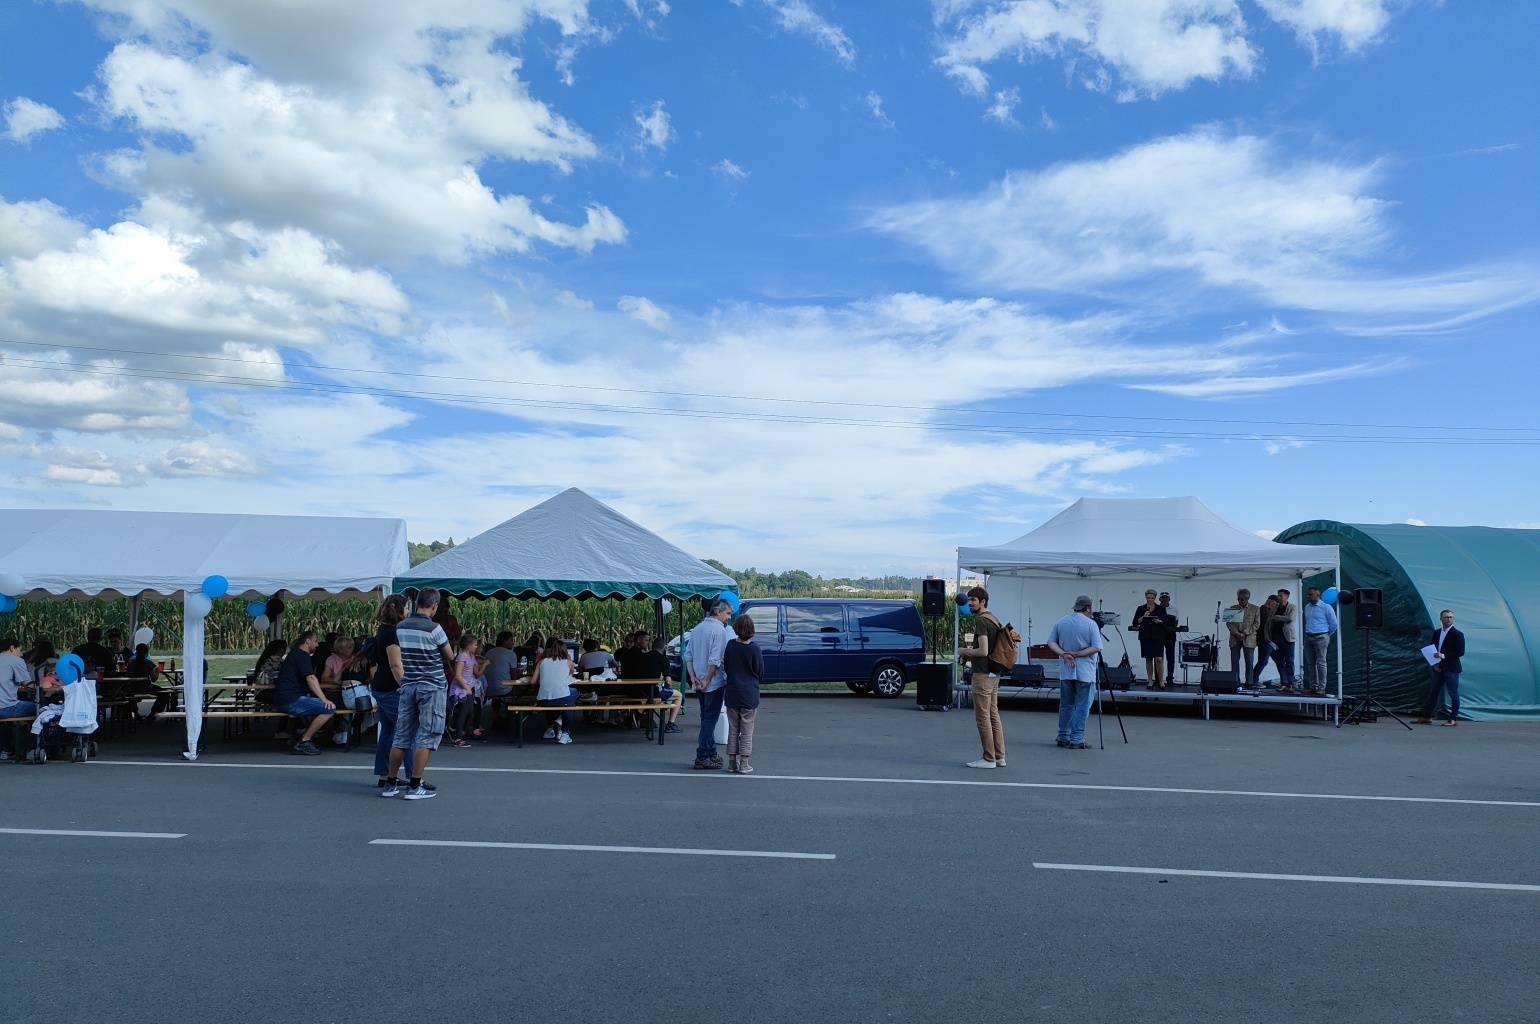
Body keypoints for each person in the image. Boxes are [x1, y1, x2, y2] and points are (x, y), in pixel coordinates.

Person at [385, 588, 455, 799]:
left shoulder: (401, 627)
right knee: (427, 736)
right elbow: (450, 655)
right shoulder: (434, 628)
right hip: (431, 686)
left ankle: (390, 782)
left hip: (408, 684)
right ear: (434, 606)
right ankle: (415, 785)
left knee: (401, 736)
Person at [956, 586, 1006, 769]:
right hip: (993, 674)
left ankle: (988, 758)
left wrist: (964, 650)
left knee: (982, 717)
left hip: (982, 675)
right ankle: (999, 756)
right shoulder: (993, 619)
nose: (969, 603)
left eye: (973, 600)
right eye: (969, 599)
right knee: (993, 715)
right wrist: (970, 653)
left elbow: (983, 651)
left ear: (982, 602)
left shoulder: (982, 621)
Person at [1048, 596, 1103, 750]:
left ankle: (1063, 735)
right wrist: (1077, 654)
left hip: (1067, 671)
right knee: (1082, 707)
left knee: (1066, 705)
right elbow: (1096, 647)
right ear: (1088, 608)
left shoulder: (1062, 621)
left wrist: (1064, 654)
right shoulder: (1091, 624)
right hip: (1085, 672)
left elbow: (1051, 641)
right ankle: (1077, 738)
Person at [272, 631, 335, 756]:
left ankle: (304, 737)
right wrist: (324, 699)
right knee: (329, 709)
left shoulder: (295, 654)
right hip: (290, 700)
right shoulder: (302, 655)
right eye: (315, 641)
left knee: (318, 706)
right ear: (307, 641)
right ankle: (305, 740)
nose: (317, 645)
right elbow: (311, 678)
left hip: (286, 698)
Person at [688, 598, 733, 770]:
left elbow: (688, 655)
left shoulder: (697, 628)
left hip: (698, 679)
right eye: (728, 613)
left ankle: (711, 752)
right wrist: (707, 679)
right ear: (718, 612)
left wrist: (693, 677)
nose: (729, 617)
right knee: (710, 719)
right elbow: (715, 660)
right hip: (712, 682)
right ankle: (702, 756)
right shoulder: (719, 630)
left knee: (705, 717)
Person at [371, 595, 408, 792]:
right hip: (390, 689)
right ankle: (414, 777)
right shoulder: (393, 633)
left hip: (380, 686)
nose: (408, 611)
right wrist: (405, 686)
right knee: (405, 731)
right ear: (399, 610)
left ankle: (384, 774)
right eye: (407, 608)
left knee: (387, 731)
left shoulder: (383, 629)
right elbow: (395, 665)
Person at [723, 614, 763, 774]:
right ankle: (744, 764)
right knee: (747, 729)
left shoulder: (730, 645)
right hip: (749, 693)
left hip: (732, 692)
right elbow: (760, 671)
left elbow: (726, 666)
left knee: (733, 728)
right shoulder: (754, 648)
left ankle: (731, 763)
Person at [1414, 610, 1465, 726]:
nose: (1449, 619)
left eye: (1451, 617)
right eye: (1446, 617)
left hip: (1451, 669)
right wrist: (1433, 664)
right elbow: (1432, 649)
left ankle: (1453, 719)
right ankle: (1427, 717)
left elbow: (1460, 652)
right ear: (1441, 619)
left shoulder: (1457, 634)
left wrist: (1442, 655)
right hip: (1438, 668)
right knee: (1433, 692)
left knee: (1453, 694)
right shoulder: (1437, 633)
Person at [0, 637, 38, 760]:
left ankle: (6, 748)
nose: (21, 654)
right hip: (6, 708)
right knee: (41, 709)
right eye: (19, 650)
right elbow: (29, 684)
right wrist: (44, 684)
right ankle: (31, 748)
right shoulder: (16, 661)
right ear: (12, 648)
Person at [635, 635, 682, 732]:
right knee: (678, 696)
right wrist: (669, 688)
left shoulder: (642, 656)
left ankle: (640, 713)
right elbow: (668, 680)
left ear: (652, 645)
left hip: (639, 689)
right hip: (653, 690)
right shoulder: (663, 659)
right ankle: (671, 723)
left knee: (654, 699)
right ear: (663, 648)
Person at [534, 638, 577, 744]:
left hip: (542, 700)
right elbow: (571, 675)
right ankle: (564, 733)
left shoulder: (542, 662)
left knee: (556, 698)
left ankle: (552, 727)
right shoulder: (568, 663)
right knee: (572, 696)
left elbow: (532, 681)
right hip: (560, 698)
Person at [1301, 587, 1337, 696]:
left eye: (1310, 594)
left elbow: (1333, 623)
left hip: (1321, 636)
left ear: (1317, 595)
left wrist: (1326, 635)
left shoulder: (1326, 607)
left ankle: (1322, 687)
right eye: (1307, 594)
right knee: (1310, 662)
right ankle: (1313, 686)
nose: (1308, 596)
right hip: (1309, 636)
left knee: (1321, 662)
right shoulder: (1307, 607)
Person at [447, 634, 480, 747]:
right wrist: (466, 687)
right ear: (469, 646)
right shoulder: (461, 657)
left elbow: (475, 672)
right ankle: (458, 737)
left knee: (470, 712)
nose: (476, 647)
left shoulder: (472, 657)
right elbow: (457, 675)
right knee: (463, 712)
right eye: (475, 645)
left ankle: (455, 727)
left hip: (469, 687)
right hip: (461, 689)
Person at [1131, 590, 1169, 690]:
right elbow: (1135, 622)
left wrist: (1159, 621)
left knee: (1159, 659)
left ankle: (1161, 681)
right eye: (1148, 598)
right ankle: (1150, 680)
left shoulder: (1161, 609)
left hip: (1157, 636)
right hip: (1146, 635)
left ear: (1155, 598)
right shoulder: (1141, 608)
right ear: (1145, 597)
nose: (1150, 600)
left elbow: (1166, 623)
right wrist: (1143, 617)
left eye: (1152, 598)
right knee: (1148, 658)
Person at [125, 643, 169, 719]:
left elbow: (127, 674)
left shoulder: (131, 663)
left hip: (132, 688)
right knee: (164, 694)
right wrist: (157, 671)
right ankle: (153, 713)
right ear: (147, 652)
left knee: (126, 694)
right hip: (146, 688)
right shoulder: (148, 663)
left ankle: (135, 712)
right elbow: (154, 679)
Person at [1226, 589, 1260, 683]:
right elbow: (1229, 623)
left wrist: (1245, 633)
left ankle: (1249, 682)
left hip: (1248, 638)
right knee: (1234, 662)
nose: (1240, 601)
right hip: (1235, 637)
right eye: (1238, 599)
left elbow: (1257, 624)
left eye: (1242, 599)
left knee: (1249, 662)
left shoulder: (1255, 609)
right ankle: (1235, 681)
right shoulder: (1233, 608)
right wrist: (1236, 633)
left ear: (1247, 599)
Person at [1270, 589, 1297, 691]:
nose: (1278, 597)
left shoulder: (1292, 607)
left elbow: (1290, 618)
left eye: (1281, 596)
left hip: (1288, 638)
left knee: (1289, 660)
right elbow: (1270, 619)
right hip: (1276, 637)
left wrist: (1277, 617)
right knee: (1279, 661)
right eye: (1278, 595)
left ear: (1287, 597)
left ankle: (1290, 683)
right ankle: (1283, 682)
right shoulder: (1275, 607)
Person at [482, 632, 519, 699]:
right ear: (505, 642)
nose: (512, 643)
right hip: (504, 690)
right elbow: (514, 677)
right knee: (525, 690)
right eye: (511, 640)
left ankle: (496, 705)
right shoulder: (511, 654)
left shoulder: (488, 652)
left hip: (487, 689)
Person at [1255, 595, 1278, 687]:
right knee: (1263, 661)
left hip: (1268, 641)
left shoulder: (1266, 610)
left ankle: (1286, 681)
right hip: (1265, 640)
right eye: (1276, 604)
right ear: (1270, 602)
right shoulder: (1264, 610)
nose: (1276, 606)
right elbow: (1266, 625)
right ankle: (1253, 679)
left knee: (1277, 660)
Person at [1158, 593, 1178, 686]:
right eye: (1163, 598)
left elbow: (1176, 622)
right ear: (1160, 599)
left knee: (1170, 658)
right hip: (1158, 635)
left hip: (1170, 636)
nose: (1164, 599)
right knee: (1158, 658)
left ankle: (1170, 679)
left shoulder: (1174, 610)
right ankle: (1158, 680)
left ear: (1169, 599)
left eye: (1166, 598)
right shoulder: (1156, 609)